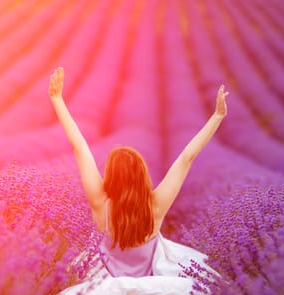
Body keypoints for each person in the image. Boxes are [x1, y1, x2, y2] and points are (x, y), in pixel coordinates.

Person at [49, 67, 228, 278]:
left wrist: (57, 100)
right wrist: (217, 116)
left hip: (107, 286)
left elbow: (80, 148)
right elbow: (186, 158)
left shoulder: (100, 202)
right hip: (151, 285)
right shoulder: (155, 206)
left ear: (112, 176)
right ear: (142, 175)